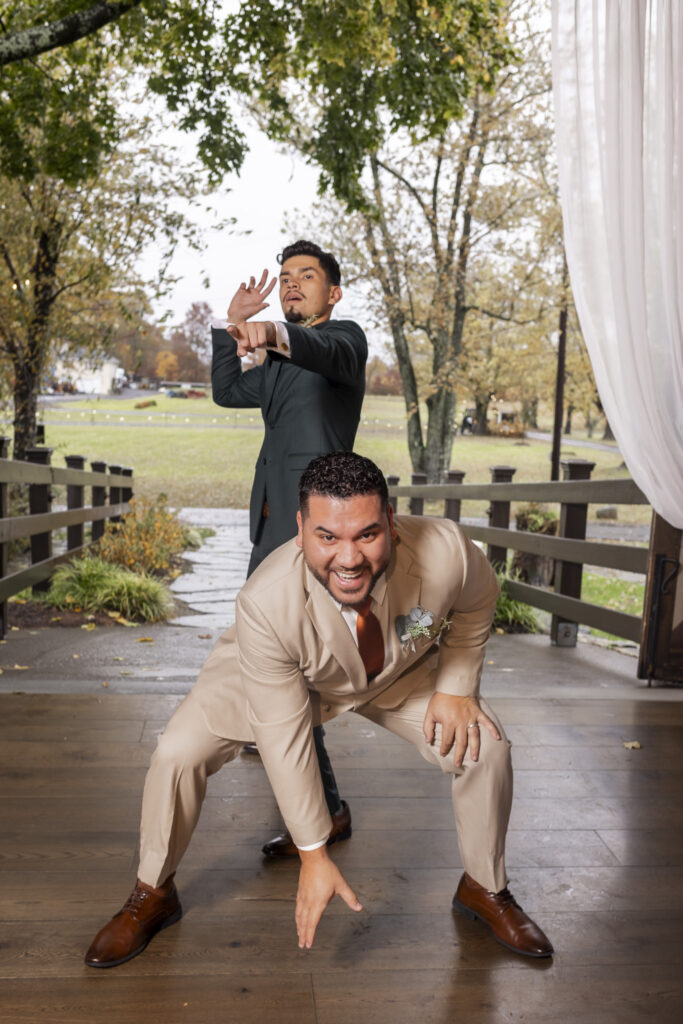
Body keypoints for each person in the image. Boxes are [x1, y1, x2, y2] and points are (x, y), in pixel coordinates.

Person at [85, 452, 553, 968]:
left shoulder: (447, 552)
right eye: (328, 537)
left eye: (367, 535)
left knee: (484, 747)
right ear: (301, 528)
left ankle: (484, 888)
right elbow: (284, 739)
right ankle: (152, 892)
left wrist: (457, 685)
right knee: (177, 752)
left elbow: (477, 600)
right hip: (274, 675)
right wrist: (313, 852)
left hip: (389, 672)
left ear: (392, 524)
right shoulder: (266, 602)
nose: (349, 558)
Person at [212, 239, 367, 856]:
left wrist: (270, 331)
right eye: (285, 277)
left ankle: (322, 813)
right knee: (276, 665)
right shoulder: (276, 365)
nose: (293, 283)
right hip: (273, 525)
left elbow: (319, 346)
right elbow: (227, 391)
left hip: (320, 534)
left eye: (306, 276)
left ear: (333, 292)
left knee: (292, 672)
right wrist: (234, 325)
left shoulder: (344, 341)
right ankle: (327, 809)